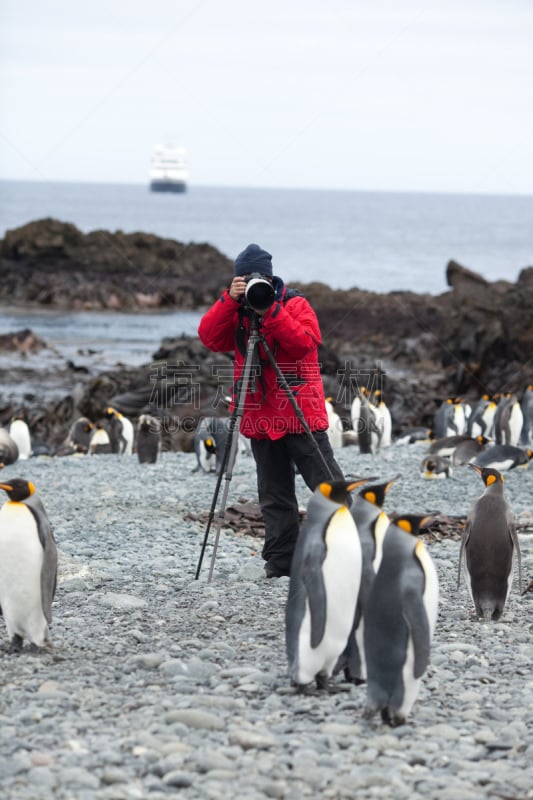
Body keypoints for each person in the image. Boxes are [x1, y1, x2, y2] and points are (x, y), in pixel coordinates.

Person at [198, 243, 345, 578]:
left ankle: (352, 547)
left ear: (270, 276)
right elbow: (208, 336)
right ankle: (281, 560)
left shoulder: (294, 304)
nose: (253, 285)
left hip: (297, 414)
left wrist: (270, 312)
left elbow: (306, 343)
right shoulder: (236, 312)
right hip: (259, 416)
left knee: (327, 485)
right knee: (274, 494)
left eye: (258, 278)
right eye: (244, 279)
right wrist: (229, 301)